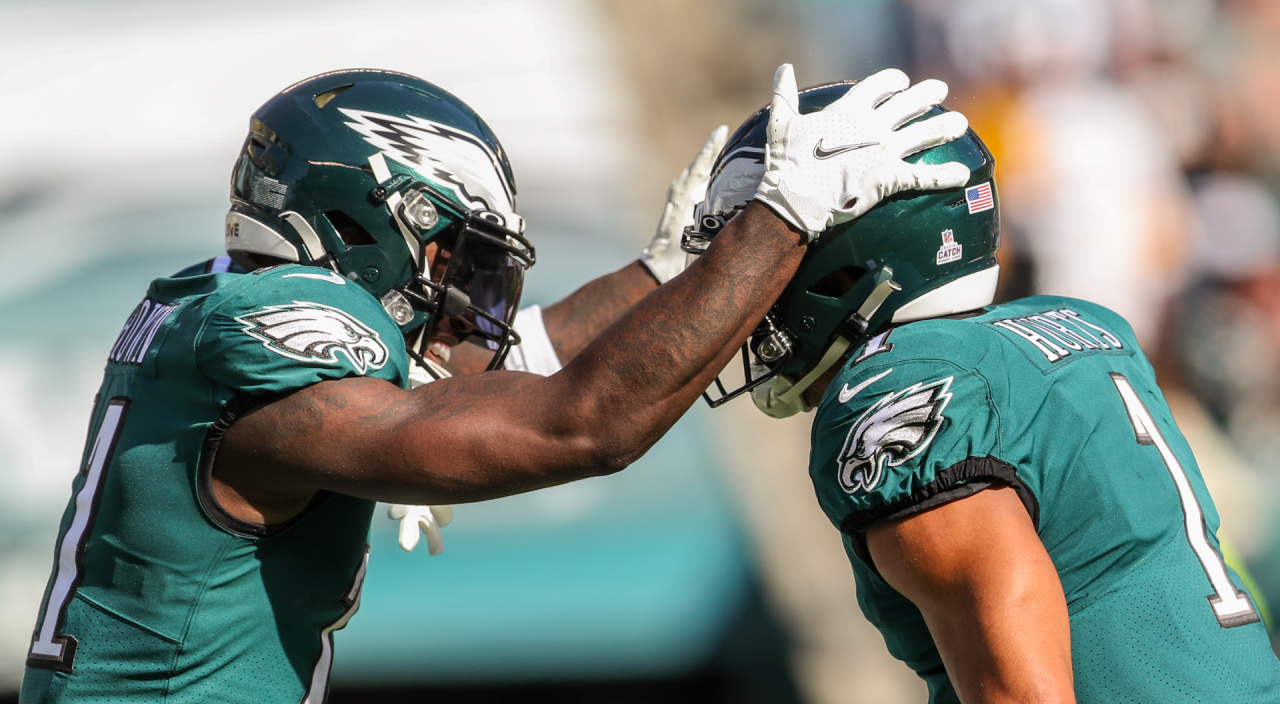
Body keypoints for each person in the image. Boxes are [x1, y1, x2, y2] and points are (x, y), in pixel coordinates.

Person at [20, 66, 972, 703]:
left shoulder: (216, 304)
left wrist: (664, 274)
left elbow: (516, 358)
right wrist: (781, 220)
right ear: (381, 220)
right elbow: (581, 426)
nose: (468, 302)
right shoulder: (281, 337)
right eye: (461, 261)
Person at [686, 82, 1280, 702]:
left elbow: (1020, 695)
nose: (741, 287)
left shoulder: (903, 387)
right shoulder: (1081, 327)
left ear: (843, 263)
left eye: (760, 249)